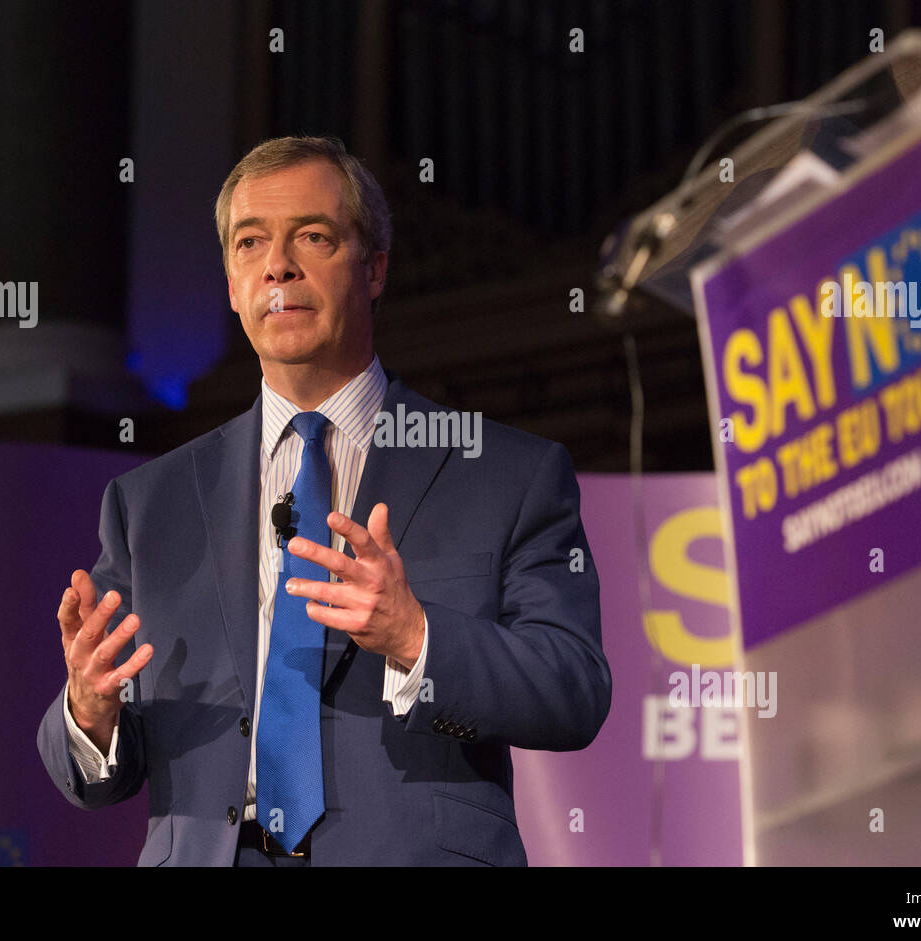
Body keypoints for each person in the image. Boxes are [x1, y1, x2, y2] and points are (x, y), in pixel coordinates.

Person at [37, 135, 611, 866]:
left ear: (373, 269)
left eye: (312, 235)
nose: (278, 264)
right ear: (231, 282)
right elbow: (95, 774)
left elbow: (573, 690)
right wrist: (89, 707)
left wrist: (415, 637)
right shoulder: (150, 504)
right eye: (251, 242)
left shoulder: (505, 472)